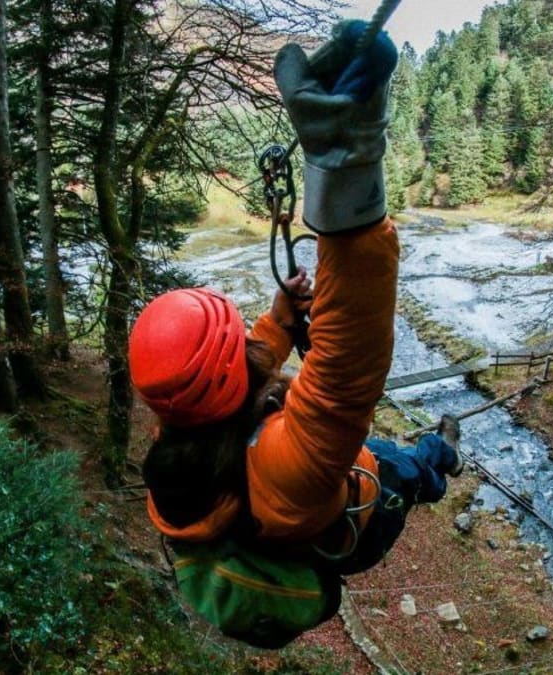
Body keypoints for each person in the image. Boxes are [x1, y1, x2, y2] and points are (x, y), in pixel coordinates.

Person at [129, 21, 462, 583]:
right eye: (237, 342)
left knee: (381, 451)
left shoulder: (180, 430)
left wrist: (281, 321)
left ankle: (435, 455)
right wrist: (347, 185)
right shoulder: (286, 466)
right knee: (408, 467)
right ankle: (444, 458)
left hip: (282, 500)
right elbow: (344, 370)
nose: (245, 343)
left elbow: (239, 372)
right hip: (357, 515)